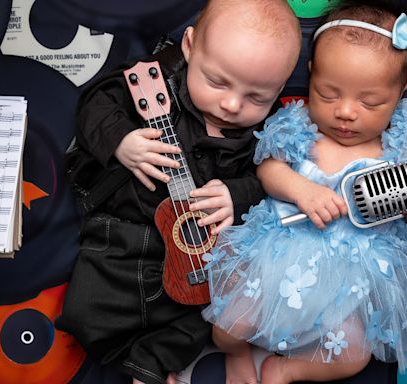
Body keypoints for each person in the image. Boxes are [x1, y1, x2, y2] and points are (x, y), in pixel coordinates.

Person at [201, 1, 407, 383]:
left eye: (370, 102)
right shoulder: (300, 127)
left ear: (401, 91)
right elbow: (269, 168)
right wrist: (300, 189)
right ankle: (237, 353)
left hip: (355, 273)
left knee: (354, 354)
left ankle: (287, 369)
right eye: (327, 93)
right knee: (227, 327)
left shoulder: (399, 147)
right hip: (280, 254)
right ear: (311, 75)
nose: (345, 112)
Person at [54, 1, 301, 384]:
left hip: (203, 256)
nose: (232, 104)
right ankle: (127, 353)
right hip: (125, 236)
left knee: (215, 314)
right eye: (217, 82)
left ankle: (148, 365)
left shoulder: (269, 130)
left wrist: (236, 194)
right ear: (189, 46)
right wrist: (122, 141)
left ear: (280, 88)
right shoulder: (155, 80)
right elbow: (95, 104)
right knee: (86, 314)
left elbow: (274, 179)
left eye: (257, 97)